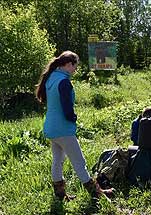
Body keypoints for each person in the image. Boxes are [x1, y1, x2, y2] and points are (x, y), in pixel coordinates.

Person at [35, 51, 113, 201]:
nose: (75, 71)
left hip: (51, 128)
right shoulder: (64, 82)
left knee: (57, 160)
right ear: (68, 64)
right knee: (79, 162)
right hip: (63, 129)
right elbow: (66, 108)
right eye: (74, 67)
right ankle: (97, 194)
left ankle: (59, 194)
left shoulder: (51, 77)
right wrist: (73, 118)